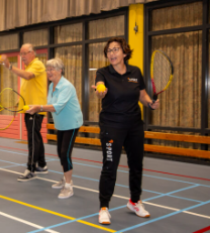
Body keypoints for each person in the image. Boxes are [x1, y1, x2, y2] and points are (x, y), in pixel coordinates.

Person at [92, 37, 160, 225]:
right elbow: (99, 87)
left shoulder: (135, 72)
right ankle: (104, 207)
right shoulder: (103, 72)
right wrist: (100, 90)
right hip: (111, 126)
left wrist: (150, 103)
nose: (112, 53)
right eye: (109, 50)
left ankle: (134, 201)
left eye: (116, 49)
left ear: (124, 53)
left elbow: (142, 95)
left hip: (134, 126)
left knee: (136, 165)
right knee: (110, 166)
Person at [26, 58, 83, 199]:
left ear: (60, 70)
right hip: (61, 124)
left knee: (65, 153)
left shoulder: (66, 86)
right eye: (48, 69)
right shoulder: (51, 86)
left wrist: (38, 107)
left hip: (72, 124)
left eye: (52, 69)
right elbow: (48, 104)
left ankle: (69, 186)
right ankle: (65, 177)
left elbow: (57, 106)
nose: (49, 72)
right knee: (60, 152)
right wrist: (32, 107)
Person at [0, 44, 48, 181]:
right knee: (36, 137)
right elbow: (29, 87)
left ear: (32, 53)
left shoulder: (37, 64)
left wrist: (10, 66)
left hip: (35, 109)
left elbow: (27, 77)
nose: (22, 57)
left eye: (24, 53)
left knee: (33, 139)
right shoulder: (29, 66)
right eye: (21, 54)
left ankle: (31, 169)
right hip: (28, 108)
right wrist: (19, 103)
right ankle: (42, 164)